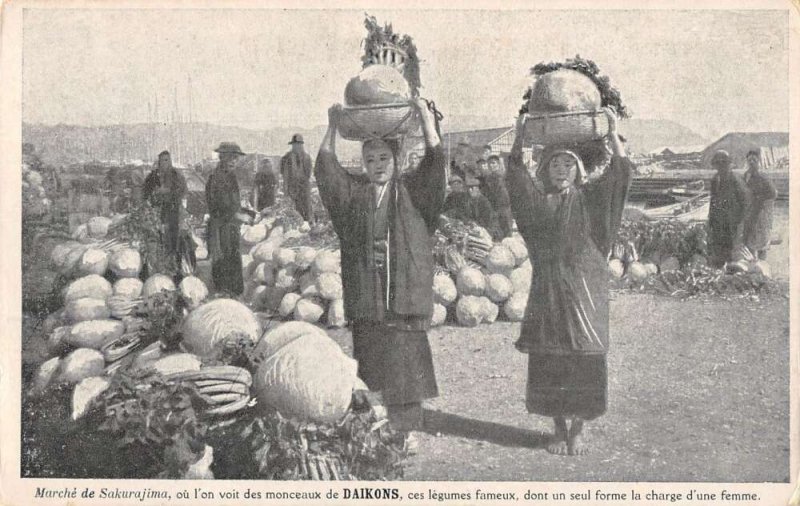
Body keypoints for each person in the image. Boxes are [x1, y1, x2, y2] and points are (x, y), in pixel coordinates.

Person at [314, 98, 446, 438]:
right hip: (368, 293)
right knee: (371, 357)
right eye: (370, 159)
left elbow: (434, 166)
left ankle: (406, 426)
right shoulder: (354, 198)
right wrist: (332, 127)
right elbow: (328, 174)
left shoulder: (413, 194)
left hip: (403, 293)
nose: (377, 165)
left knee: (405, 359)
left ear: (397, 160)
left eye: (384, 158)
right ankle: (377, 422)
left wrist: (426, 121)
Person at [506, 108, 633, 456]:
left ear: (578, 172)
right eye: (554, 165)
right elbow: (516, 178)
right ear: (545, 171)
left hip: (584, 294)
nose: (561, 171)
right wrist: (519, 136)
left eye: (568, 165)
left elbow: (618, 180)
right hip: (548, 294)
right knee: (550, 360)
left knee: (584, 360)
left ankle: (578, 428)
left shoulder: (591, 201)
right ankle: (558, 429)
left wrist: (613, 134)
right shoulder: (538, 203)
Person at [205, 142, 246, 296]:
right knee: (223, 260)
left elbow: (235, 202)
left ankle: (234, 294)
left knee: (233, 258)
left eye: (236, 158)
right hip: (221, 226)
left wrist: (243, 212)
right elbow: (218, 204)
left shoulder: (231, 176)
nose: (235, 161)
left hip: (231, 225)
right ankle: (224, 294)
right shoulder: (216, 177)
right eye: (232, 158)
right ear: (222, 157)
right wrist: (236, 214)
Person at [142, 150, 188, 268]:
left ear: (170, 161)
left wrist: (167, 191)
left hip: (173, 211)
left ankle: (174, 265)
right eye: (162, 160)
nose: (165, 163)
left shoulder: (176, 175)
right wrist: (150, 200)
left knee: (173, 238)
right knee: (157, 238)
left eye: (167, 160)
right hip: (156, 212)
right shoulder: (152, 176)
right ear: (159, 162)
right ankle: (158, 265)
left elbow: (182, 191)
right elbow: (145, 192)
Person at [708, 150, 749, 268]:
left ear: (728, 165)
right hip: (718, 221)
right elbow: (713, 200)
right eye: (718, 164)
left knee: (731, 249)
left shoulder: (736, 180)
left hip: (732, 222)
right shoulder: (715, 179)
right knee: (718, 249)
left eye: (723, 164)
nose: (721, 167)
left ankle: (731, 270)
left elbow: (746, 201)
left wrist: (739, 220)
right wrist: (711, 219)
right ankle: (719, 270)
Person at [742, 149, 777, 260]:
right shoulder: (745, 176)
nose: (752, 162)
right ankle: (751, 267)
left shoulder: (763, 178)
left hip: (760, 214)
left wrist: (759, 199)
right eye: (750, 160)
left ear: (759, 162)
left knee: (762, 243)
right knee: (749, 241)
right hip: (748, 214)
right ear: (747, 162)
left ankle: (762, 265)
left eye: (754, 160)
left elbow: (773, 193)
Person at [280, 134, 314, 224]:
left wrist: (303, 183)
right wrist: (286, 191)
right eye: (295, 145)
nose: (297, 147)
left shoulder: (307, 158)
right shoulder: (287, 158)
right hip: (292, 188)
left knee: (306, 209)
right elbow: (285, 176)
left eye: (298, 144)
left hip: (304, 188)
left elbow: (308, 174)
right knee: (294, 211)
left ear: (301, 145)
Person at [480, 155, 514, 239]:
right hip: (494, 207)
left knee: (507, 233)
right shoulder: (489, 178)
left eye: (493, 163)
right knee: (497, 232)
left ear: (498, 164)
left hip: (504, 207)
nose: (491, 165)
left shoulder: (504, 176)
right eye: (489, 164)